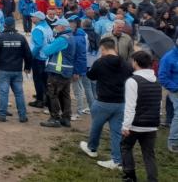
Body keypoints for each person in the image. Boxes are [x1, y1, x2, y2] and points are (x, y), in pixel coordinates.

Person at [79, 38, 134, 170]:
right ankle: (117, 160)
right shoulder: (125, 64)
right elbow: (130, 78)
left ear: (103, 48)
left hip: (103, 101)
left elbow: (91, 76)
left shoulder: (100, 62)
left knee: (96, 127)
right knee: (116, 133)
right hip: (121, 102)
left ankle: (92, 148)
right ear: (114, 48)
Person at [120, 51, 161, 182]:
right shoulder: (156, 81)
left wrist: (126, 125)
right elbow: (158, 103)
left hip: (135, 124)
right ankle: (152, 179)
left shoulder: (132, 81)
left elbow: (130, 106)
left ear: (136, 63)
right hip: (152, 125)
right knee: (149, 155)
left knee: (125, 147)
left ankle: (130, 176)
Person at [0, 17, 31, 122]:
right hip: (17, 70)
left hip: (2, 69)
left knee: (3, 92)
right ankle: (22, 115)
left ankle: (2, 114)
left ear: (4, 26)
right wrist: (27, 67)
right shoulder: (21, 38)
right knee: (19, 93)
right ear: (14, 25)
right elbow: (28, 54)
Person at [40, 18, 76, 128]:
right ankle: (66, 118)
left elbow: (47, 51)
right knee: (65, 95)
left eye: (56, 26)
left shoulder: (62, 39)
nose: (54, 28)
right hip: (66, 71)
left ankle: (54, 118)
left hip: (57, 72)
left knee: (52, 94)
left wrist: (47, 44)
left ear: (62, 27)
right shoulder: (71, 37)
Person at [29, 11, 53, 109]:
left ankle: (40, 100)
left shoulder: (37, 29)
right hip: (47, 56)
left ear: (38, 19)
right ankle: (47, 99)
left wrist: (31, 56)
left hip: (39, 58)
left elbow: (38, 45)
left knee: (38, 80)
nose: (31, 18)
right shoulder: (47, 27)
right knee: (45, 80)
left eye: (33, 17)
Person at [158, 44, 178, 153]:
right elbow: (162, 77)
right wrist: (175, 88)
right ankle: (173, 141)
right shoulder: (168, 57)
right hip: (175, 89)